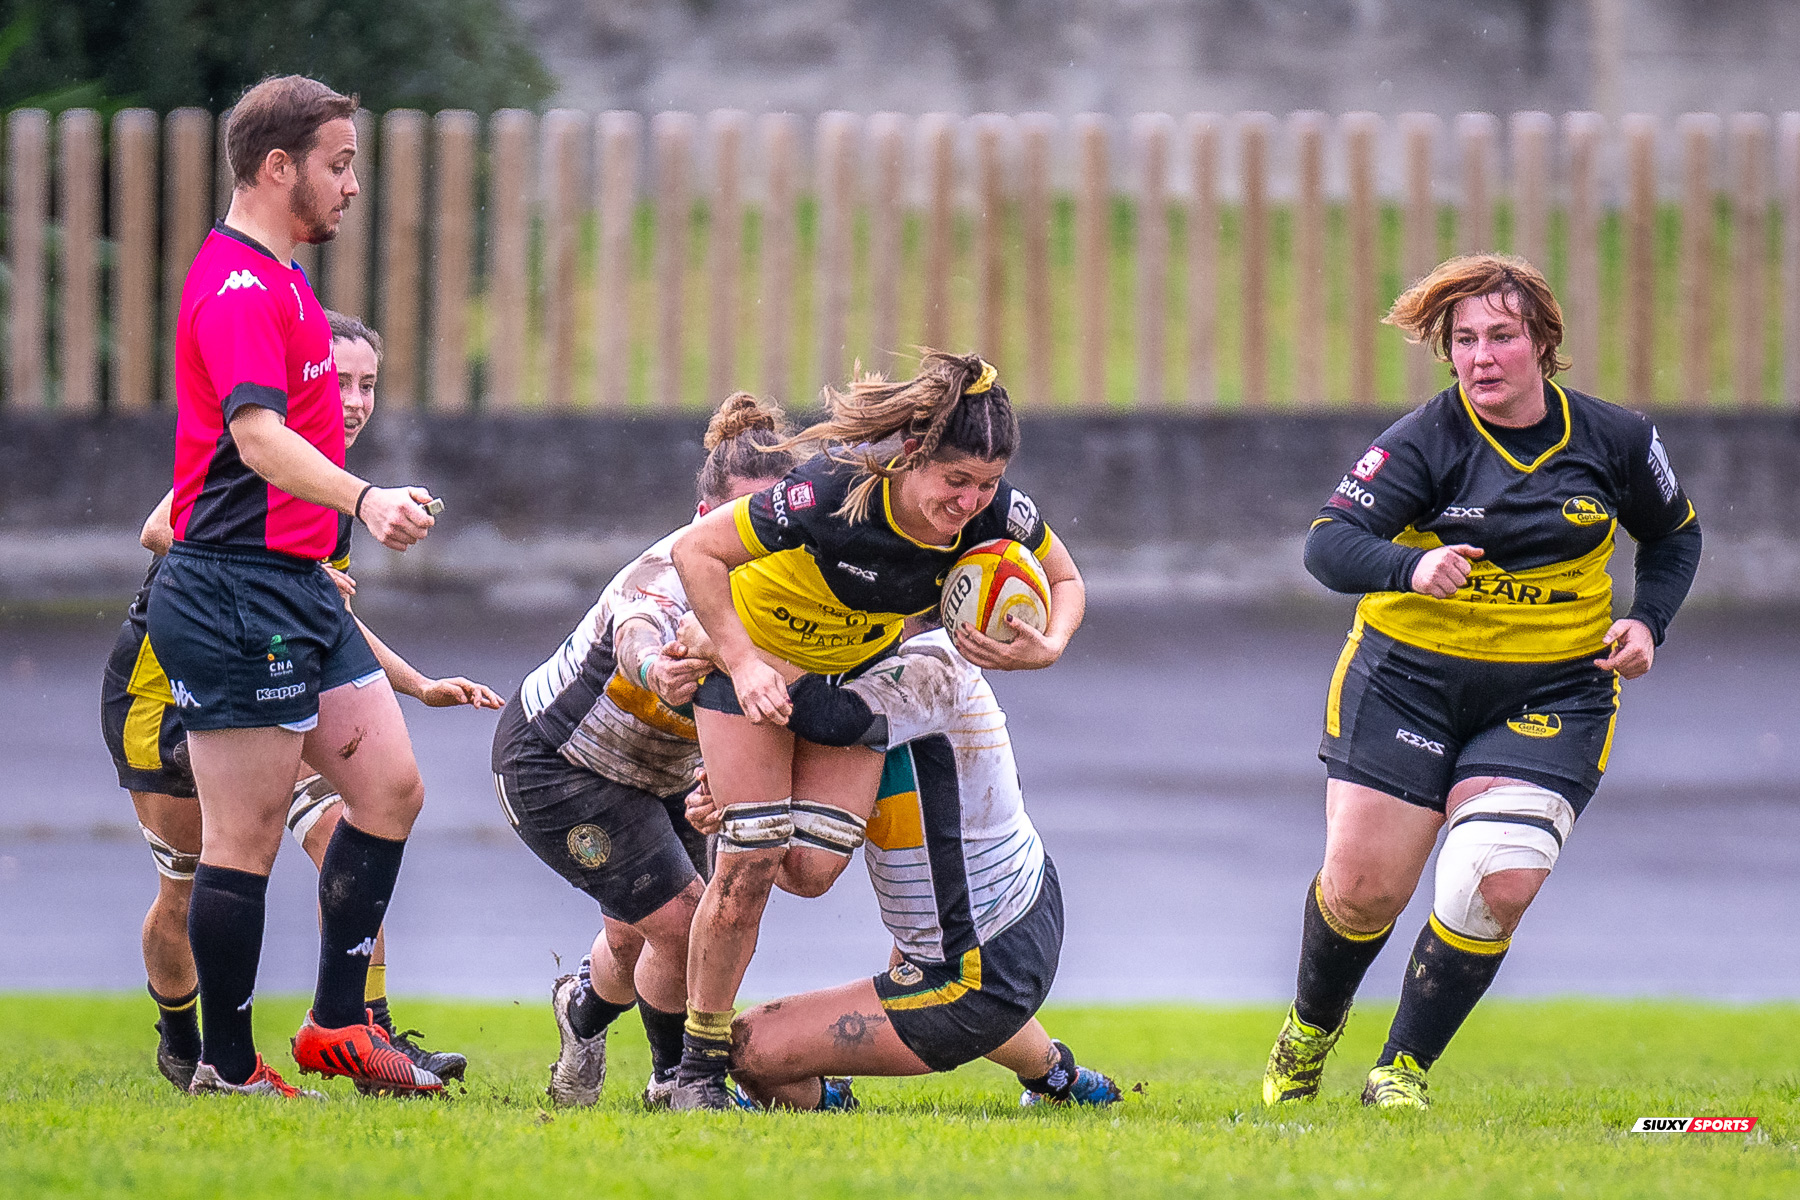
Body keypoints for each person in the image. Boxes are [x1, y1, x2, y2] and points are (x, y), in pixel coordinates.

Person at [1261, 254, 1701, 1110]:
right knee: (1363, 893)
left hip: (1555, 692)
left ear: (1543, 341)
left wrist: (1648, 622)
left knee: (1492, 881)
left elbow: (1675, 538)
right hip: (1407, 683)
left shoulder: (1616, 439)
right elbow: (1326, 546)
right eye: (1463, 340)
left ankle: (1400, 1070)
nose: (1481, 357)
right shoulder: (1426, 440)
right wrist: (1408, 566)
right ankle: (1311, 1030)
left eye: (1501, 335)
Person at [667, 351, 1086, 1109]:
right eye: (955, 482)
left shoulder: (992, 514)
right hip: (757, 666)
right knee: (753, 855)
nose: (970, 504)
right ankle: (694, 1071)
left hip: (846, 682)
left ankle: (1042, 1074)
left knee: (811, 870)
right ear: (911, 455)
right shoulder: (836, 490)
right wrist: (737, 657)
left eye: (986, 486)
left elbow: (1065, 577)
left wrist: (1049, 645)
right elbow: (695, 550)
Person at [145, 75, 447, 1099]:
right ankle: (228, 1071)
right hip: (234, 592)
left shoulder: (285, 283)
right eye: (339, 164)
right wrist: (365, 500)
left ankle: (334, 1023)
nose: (352, 185)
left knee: (392, 791)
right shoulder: (236, 287)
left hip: (297, 589)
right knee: (247, 839)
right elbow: (255, 438)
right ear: (278, 168)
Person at [104, 310, 498, 1092]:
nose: (353, 400)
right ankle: (187, 1040)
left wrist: (414, 682)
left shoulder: (332, 481)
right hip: (165, 695)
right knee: (186, 886)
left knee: (353, 823)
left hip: (274, 669)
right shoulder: (258, 448)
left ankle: (362, 1031)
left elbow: (326, 619)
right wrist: (271, 567)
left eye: (369, 385)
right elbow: (157, 528)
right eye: (340, 380)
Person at [491, 393, 801, 1108]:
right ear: (704, 520)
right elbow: (639, 630)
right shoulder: (669, 574)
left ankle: (580, 1011)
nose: (756, 540)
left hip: (657, 780)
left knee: (637, 940)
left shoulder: (789, 591)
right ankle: (675, 1083)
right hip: (556, 767)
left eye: (770, 522)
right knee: (690, 921)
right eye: (738, 520)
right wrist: (659, 669)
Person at [676, 613, 1120, 1111]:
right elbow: (817, 767)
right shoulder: (879, 666)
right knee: (926, 958)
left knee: (749, 1050)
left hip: (982, 958)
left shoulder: (933, 664)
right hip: (1005, 924)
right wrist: (736, 802)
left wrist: (726, 646)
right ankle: (1060, 1078)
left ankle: (828, 1103)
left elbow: (831, 718)